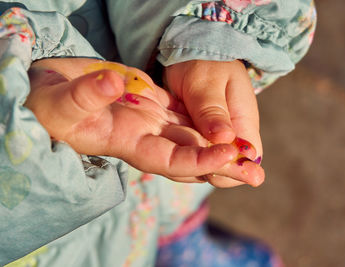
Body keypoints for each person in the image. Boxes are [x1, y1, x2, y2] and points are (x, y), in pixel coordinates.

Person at [0, 0, 316, 266]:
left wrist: (200, 32)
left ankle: (178, 239)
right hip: (51, 243)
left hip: (153, 107)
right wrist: (18, 130)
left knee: (176, 182)